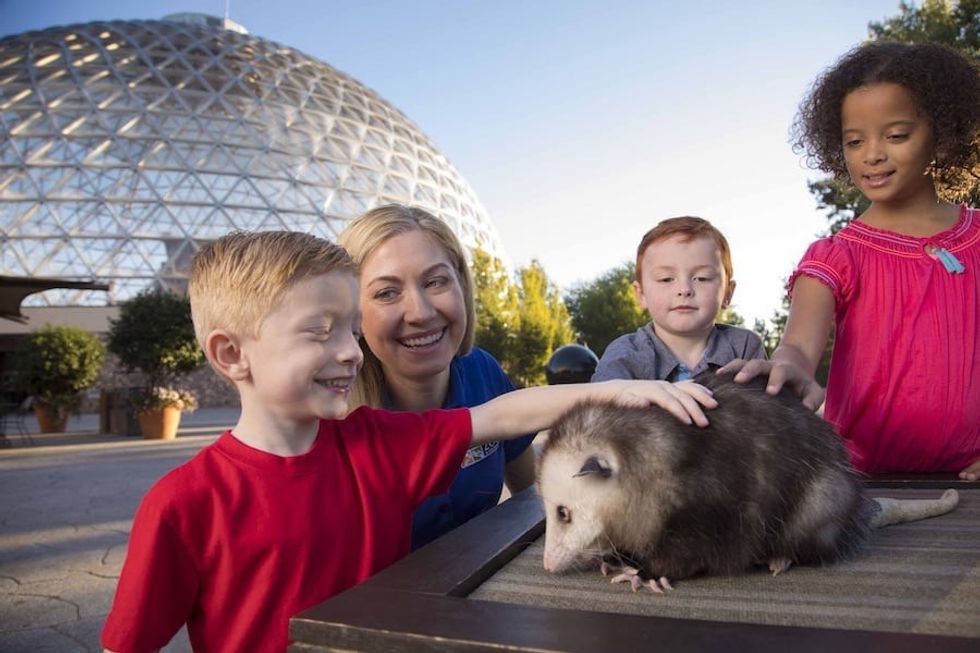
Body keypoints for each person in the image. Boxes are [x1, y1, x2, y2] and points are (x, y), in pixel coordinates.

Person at [100, 230, 716, 653]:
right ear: (232, 354)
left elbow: (499, 416)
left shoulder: (377, 444)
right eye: (320, 332)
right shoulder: (182, 503)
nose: (348, 350)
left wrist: (621, 394)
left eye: (349, 328)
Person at [721, 42, 980, 478]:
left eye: (896, 135)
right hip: (861, 485)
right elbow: (799, 347)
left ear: (944, 133)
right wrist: (785, 371)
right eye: (854, 141)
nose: (872, 154)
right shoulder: (837, 256)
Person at [339, 205, 536, 549]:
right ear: (352, 312)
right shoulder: (331, 416)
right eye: (387, 292)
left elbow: (532, 500)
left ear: (461, 285)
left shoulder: (483, 371)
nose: (421, 312)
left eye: (435, 282)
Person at [592, 216, 766, 383]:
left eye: (702, 278)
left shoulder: (744, 346)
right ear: (641, 294)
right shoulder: (624, 353)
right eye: (666, 279)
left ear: (728, 293)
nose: (684, 290)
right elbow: (601, 407)